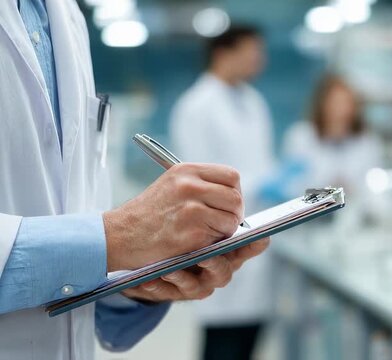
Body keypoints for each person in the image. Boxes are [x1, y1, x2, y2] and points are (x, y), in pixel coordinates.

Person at [0, 1, 268, 359]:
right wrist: (117, 238)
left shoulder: (69, 17)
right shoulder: (199, 105)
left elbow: (73, 223)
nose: (258, 61)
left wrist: (133, 281)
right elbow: (96, 237)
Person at [169, 25, 275, 360]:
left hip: (258, 230)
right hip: (221, 238)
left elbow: (261, 160)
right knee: (222, 347)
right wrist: (260, 183)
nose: (259, 60)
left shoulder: (253, 100)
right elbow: (200, 182)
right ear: (223, 53)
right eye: (251, 51)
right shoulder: (196, 106)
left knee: (248, 342)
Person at [282, 75, 383, 198]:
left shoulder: (366, 142)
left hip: (353, 213)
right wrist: (332, 192)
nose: (342, 110)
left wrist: (348, 190)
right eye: (336, 103)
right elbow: (293, 190)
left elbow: (372, 191)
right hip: (313, 215)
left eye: (347, 103)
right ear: (323, 105)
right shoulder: (301, 137)